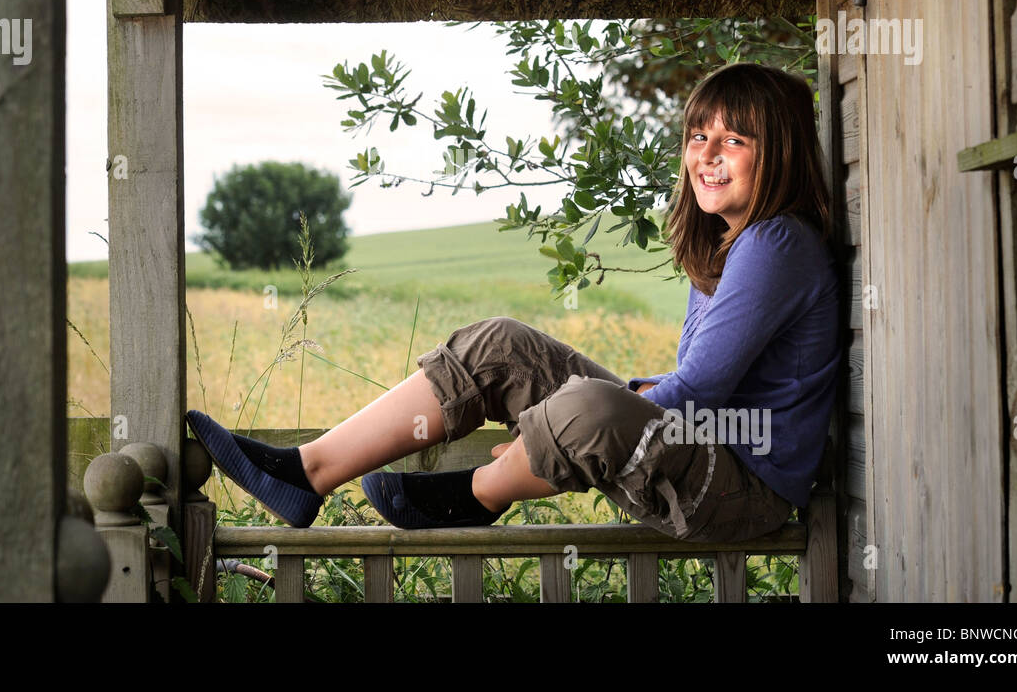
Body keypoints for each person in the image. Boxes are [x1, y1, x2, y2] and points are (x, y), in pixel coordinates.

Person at [187, 61, 842, 542]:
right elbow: (690, 388)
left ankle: (471, 496)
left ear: (777, 150)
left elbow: (699, 389)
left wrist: (546, 434)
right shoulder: (738, 244)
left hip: (741, 489)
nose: (708, 156)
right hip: (699, 453)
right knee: (500, 344)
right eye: (700, 136)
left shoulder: (776, 242)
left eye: (735, 140)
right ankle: (307, 470)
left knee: (588, 406)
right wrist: (566, 424)